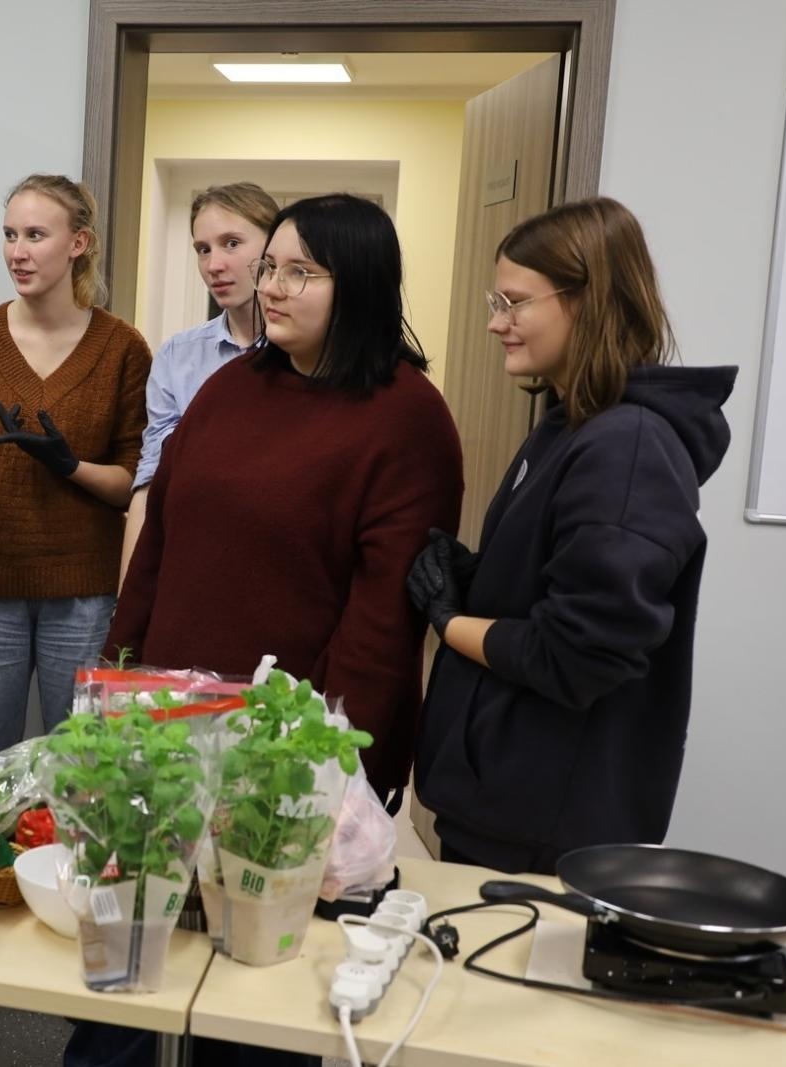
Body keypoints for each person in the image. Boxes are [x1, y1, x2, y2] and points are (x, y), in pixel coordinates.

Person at [409, 197, 736, 875]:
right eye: (495, 300)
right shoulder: (570, 426)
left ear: (587, 301)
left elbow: (575, 654)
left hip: (546, 831)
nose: (497, 322)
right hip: (502, 805)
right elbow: (548, 590)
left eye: (516, 302)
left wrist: (450, 617)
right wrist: (473, 580)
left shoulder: (628, 448)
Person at [109, 193, 463, 799]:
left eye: (299, 273)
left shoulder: (408, 418)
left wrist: (321, 758)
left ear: (358, 283)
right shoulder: (230, 388)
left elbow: (381, 626)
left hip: (293, 745)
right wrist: (120, 676)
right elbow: (158, 549)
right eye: (269, 267)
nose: (272, 287)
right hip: (172, 723)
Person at [0, 174, 151, 770]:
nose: (17, 252)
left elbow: (133, 482)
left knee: (84, 768)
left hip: (84, 592)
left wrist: (69, 466)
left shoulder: (122, 348)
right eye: (10, 235)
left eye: (36, 235)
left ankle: (65, 870)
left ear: (78, 243)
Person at [121, 182, 280, 582]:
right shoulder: (179, 355)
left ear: (272, 248)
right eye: (203, 249)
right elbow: (151, 482)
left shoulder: (305, 353)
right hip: (193, 562)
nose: (214, 264)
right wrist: (126, 603)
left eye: (231, 243)